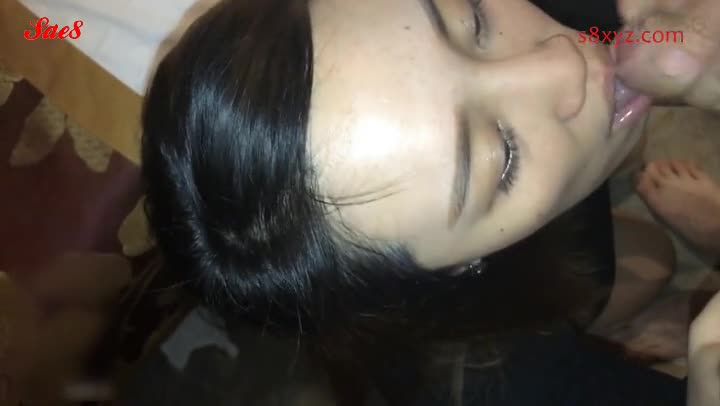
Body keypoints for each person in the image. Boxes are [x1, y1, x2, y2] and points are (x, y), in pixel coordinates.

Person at [138, 0, 688, 405]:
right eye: (501, 158)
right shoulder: (516, 389)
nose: (565, 63)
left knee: (652, 255)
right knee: (653, 261)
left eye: (472, 18)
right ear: (455, 268)